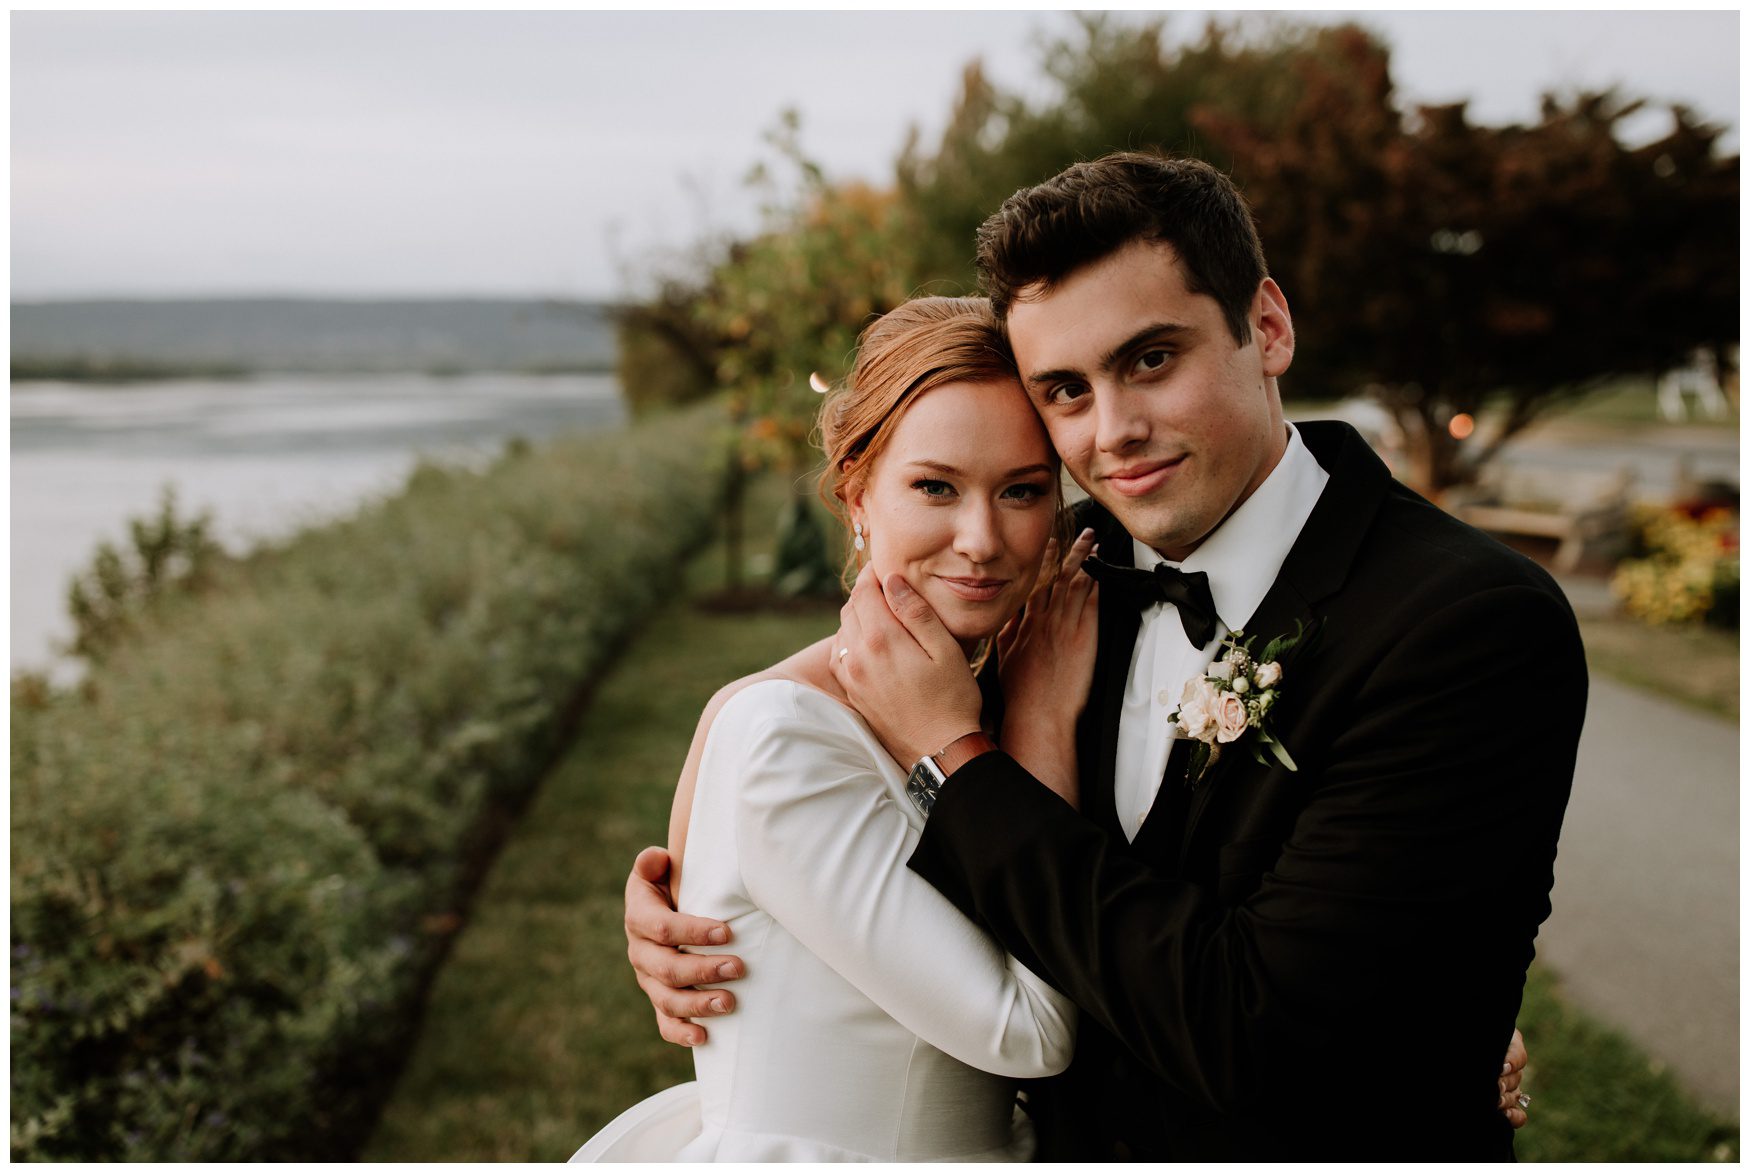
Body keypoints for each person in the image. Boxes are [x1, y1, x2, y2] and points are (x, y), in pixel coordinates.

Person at [625, 152, 1569, 1160]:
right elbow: (844, 682)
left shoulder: (1465, 622)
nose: (1113, 432)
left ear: (1267, 326)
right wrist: (702, 851)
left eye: (1150, 360)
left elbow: (1274, 1035)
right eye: (1065, 390)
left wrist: (964, 755)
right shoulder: (1069, 565)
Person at [574, 297, 1098, 1162]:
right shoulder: (782, 735)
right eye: (936, 486)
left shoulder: (999, 667)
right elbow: (1031, 1031)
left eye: (1022, 490)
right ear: (856, 490)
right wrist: (1043, 722)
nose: (982, 539)